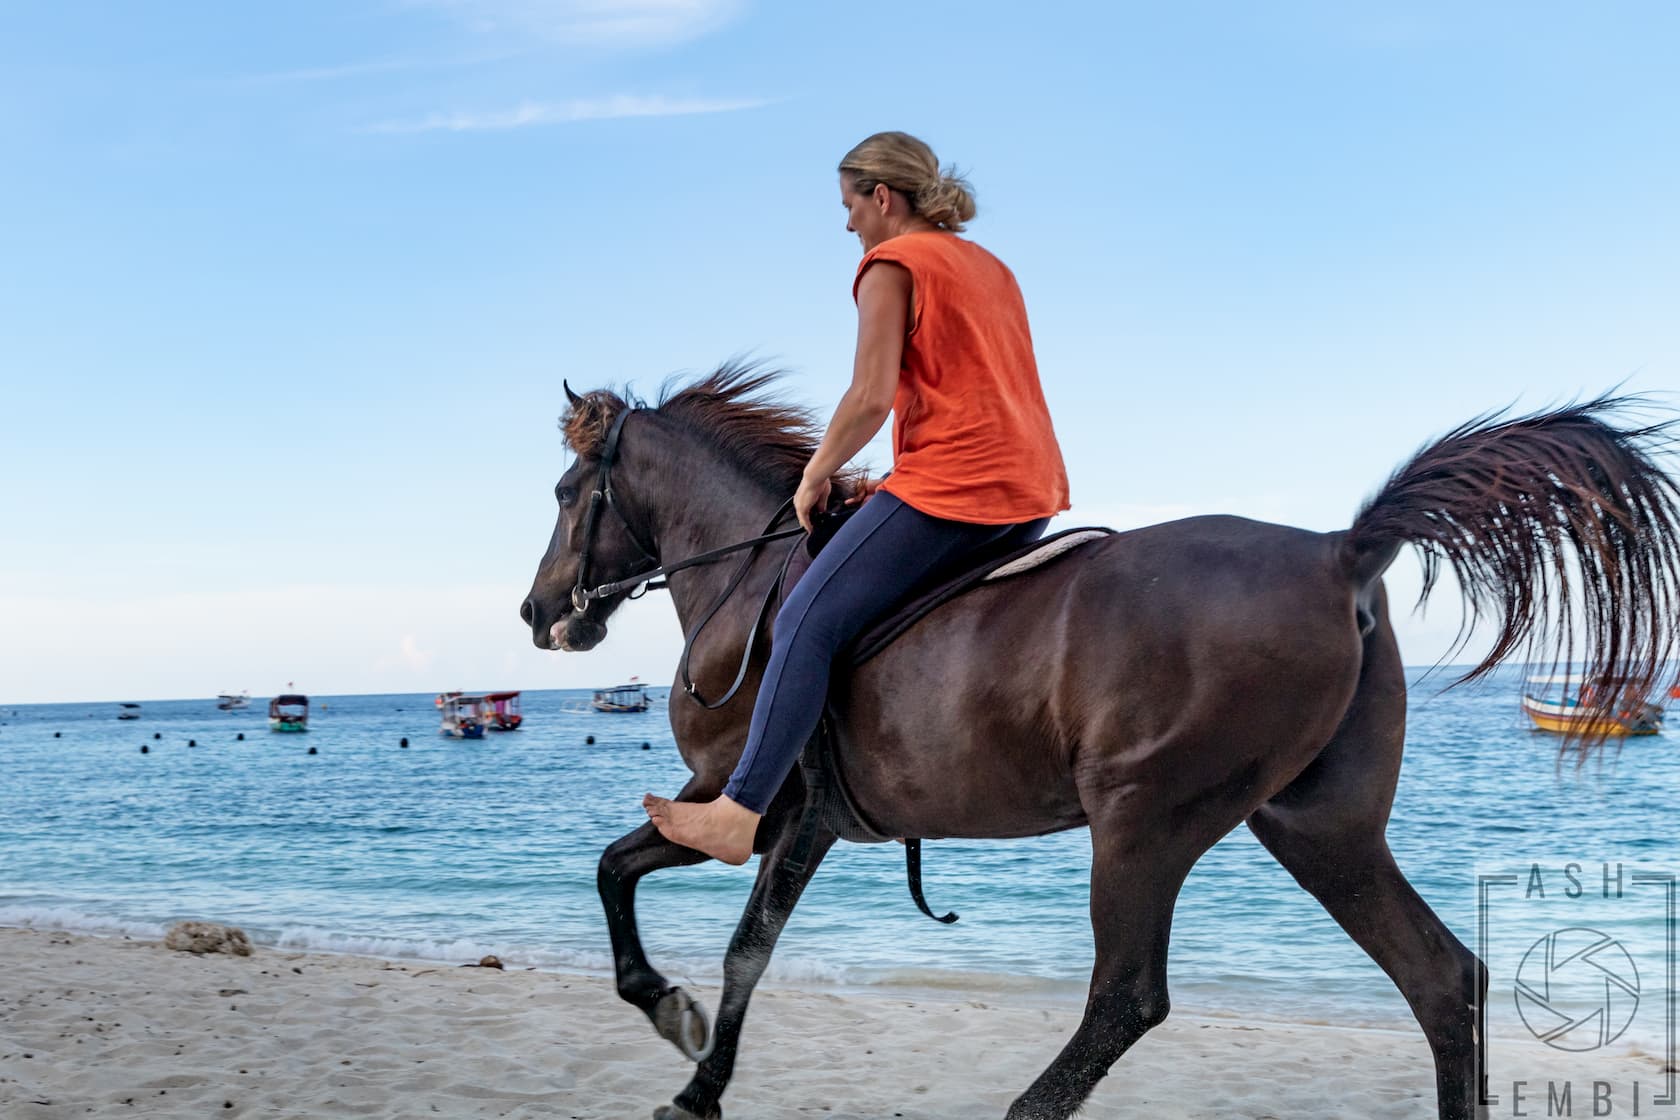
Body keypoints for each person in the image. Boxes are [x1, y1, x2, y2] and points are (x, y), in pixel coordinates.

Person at [644, 131, 1071, 864]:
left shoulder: (892, 262)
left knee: (806, 615)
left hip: (954, 486)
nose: (847, 225)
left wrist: (816, 474)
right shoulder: (990, 267)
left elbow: (871, 395)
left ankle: (739, 813)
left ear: (882, 197)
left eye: (849, 205)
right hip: (1030, 493)